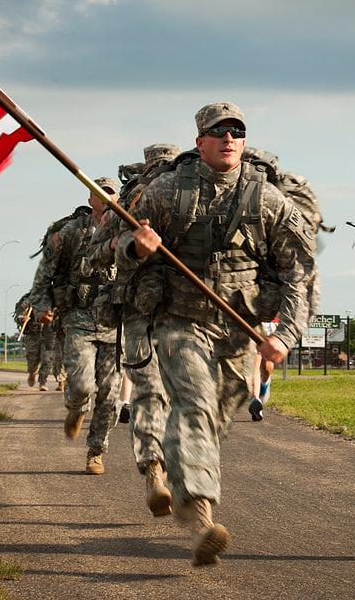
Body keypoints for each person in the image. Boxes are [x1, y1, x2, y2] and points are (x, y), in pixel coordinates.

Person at [115, 102, 315, 565]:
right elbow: (111, 243)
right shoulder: (166, 191)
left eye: (237, 132)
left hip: (238, 331)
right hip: (179, 323)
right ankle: (201, 515)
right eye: (219, 131)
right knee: (195, 404)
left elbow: (299, 274)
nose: (229, 138)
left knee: (214, 419)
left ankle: (181, 473)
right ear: (200, 141)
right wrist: (135, 246)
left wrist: (284, 336)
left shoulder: (268, 200)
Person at [88, 143, 181, 518]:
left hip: (191, 315)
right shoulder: (130, 203)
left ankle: (185, 476)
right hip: (142, 312)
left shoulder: (198, 199)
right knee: (150, 390)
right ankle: (154, 471)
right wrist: (132, 247)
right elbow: (97, 251)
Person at [29, 178, 122, 475]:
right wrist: (42, 307)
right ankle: (76, 408)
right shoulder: (71, 232)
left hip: (114, 322)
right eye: (101, 194)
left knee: (109, 393)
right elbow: (44, 273)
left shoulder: (127, 231)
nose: (106, 200)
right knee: (82, 385)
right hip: (78, 319)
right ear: (90, 198)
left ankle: (95, 451)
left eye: (111, 195)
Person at [247, 321, 278, 421]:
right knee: (256, 360)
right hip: (255, 322)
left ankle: (264, 386)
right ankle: (255, 399)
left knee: (267, 366)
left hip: (271, 323)